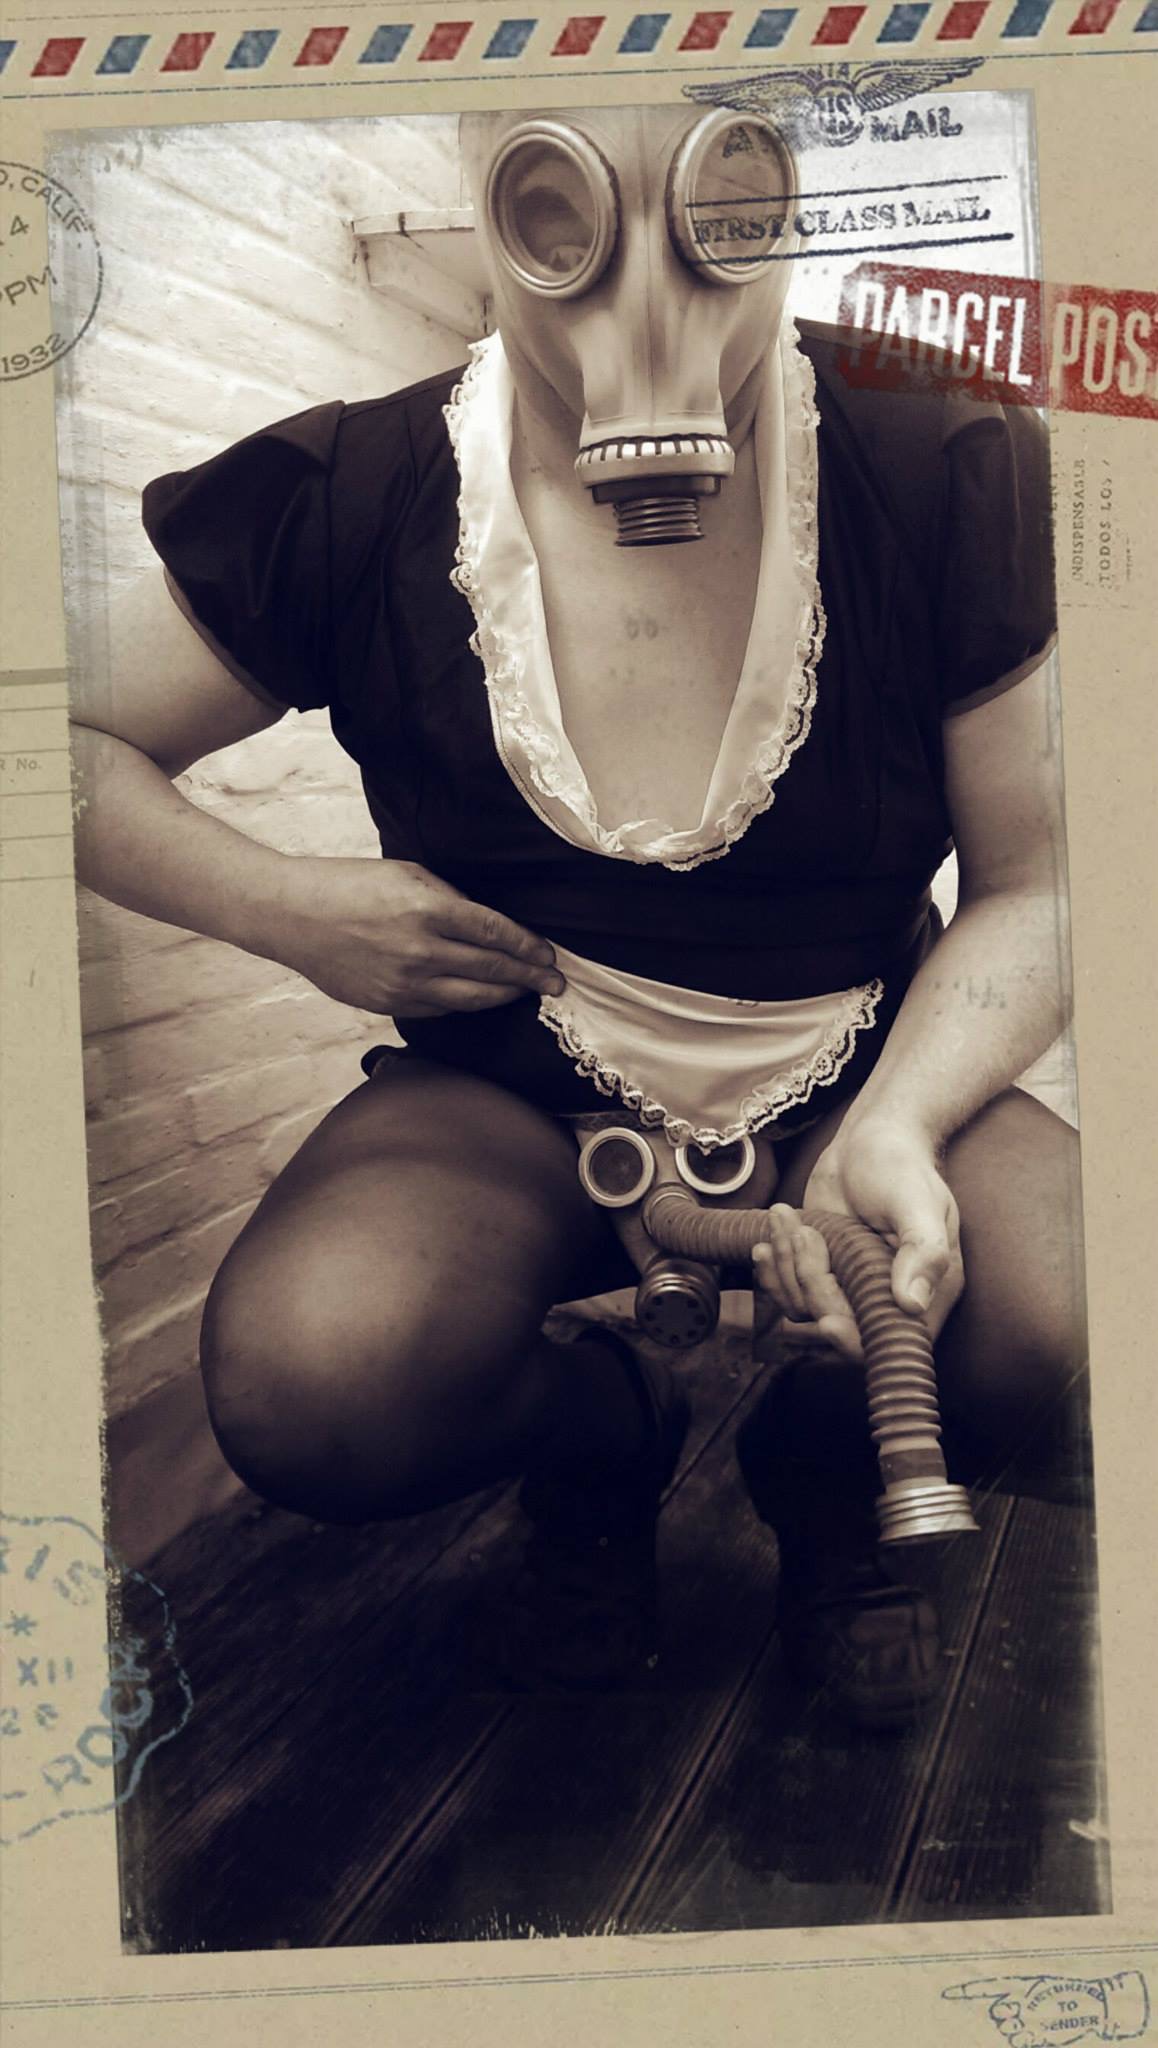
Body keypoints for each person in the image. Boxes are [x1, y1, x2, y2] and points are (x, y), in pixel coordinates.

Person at [70, 104, 1087, 1725]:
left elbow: (1039, 882)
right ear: (488, 197)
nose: (648, 314)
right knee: (319, 1379)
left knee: (1062, 1310)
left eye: (717, 222)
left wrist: (900, 1124)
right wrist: (286, 909)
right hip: (510, 1095)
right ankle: (603, 1441)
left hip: (857, 1071)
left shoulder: (933, 456)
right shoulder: (356, 491)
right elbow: (51, 738)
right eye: (567, 223)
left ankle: (828, 1480)